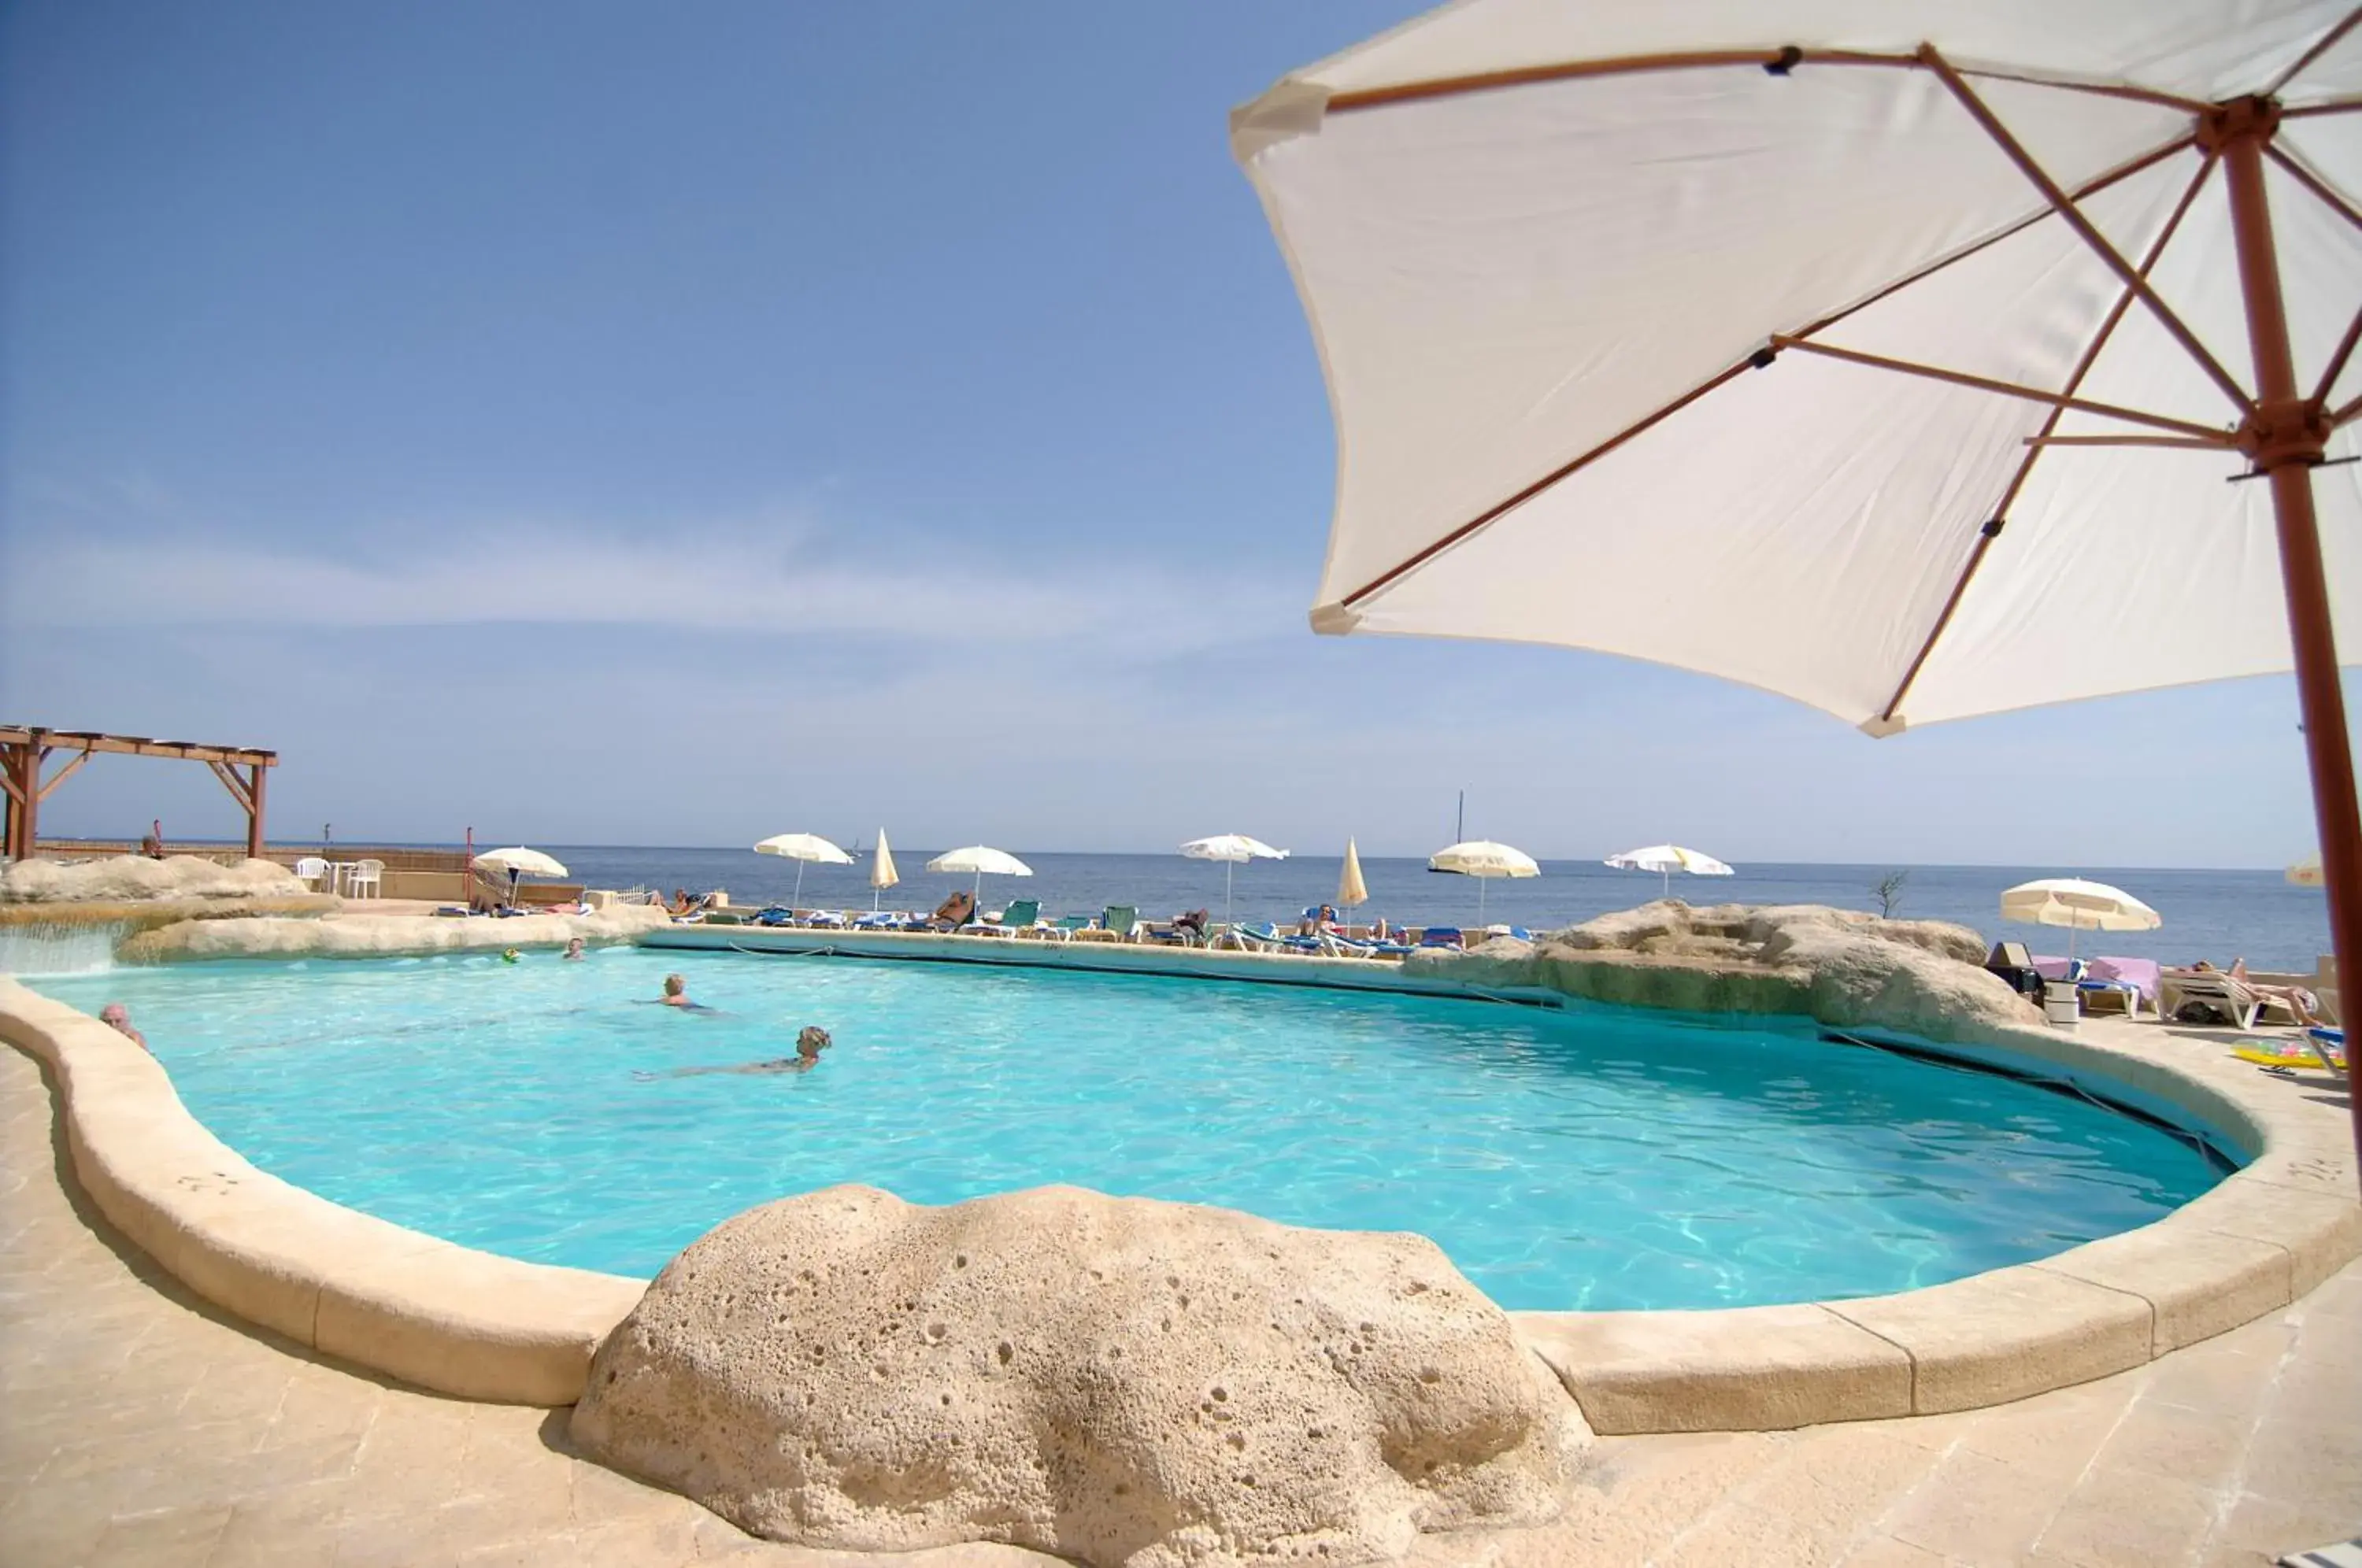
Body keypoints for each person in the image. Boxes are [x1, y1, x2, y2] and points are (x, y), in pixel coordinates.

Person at [633, 1026, 831, 1080]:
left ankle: (655, 1076)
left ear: (810, 1045)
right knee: (710, 1070)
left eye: (800, 1040)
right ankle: (657, 1075)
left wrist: (768, 1070)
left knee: (710, 1070)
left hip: (763, 1071)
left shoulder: (808, 1063)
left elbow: (794, 1073)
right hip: (764, 1068)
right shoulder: (808, 1060)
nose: (796, 1042)